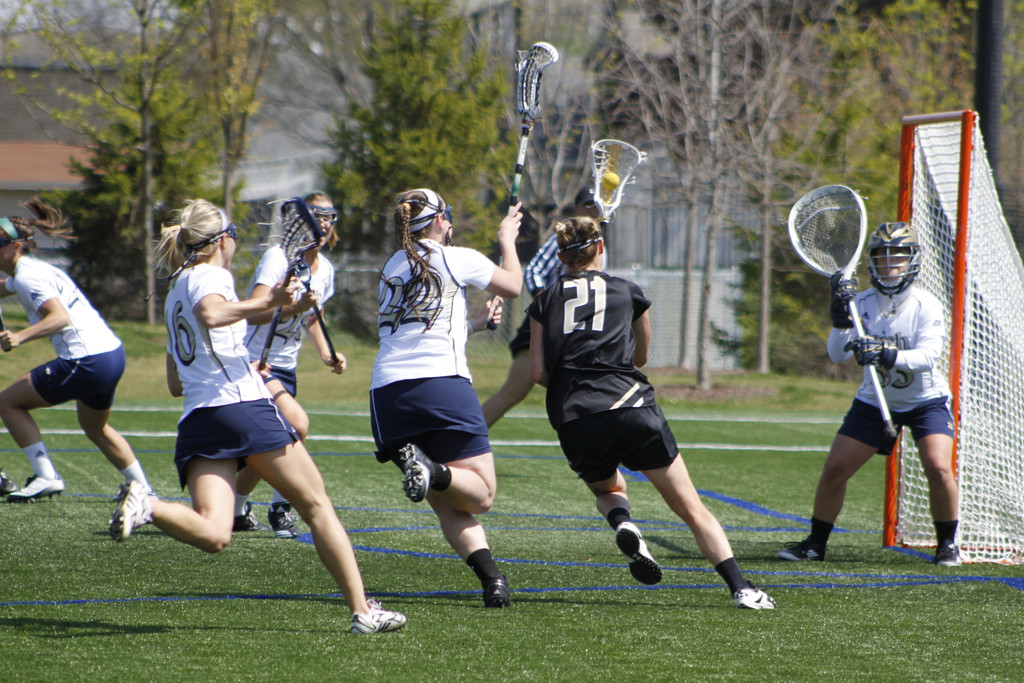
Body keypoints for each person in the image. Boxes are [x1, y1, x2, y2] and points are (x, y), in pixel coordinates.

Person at [110, 199, 405, 634]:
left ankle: (148, 505)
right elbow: (212, 314)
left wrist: (277, 313)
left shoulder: (175, 289)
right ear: (222, 240)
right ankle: (363, 611)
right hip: (241, 408)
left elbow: (176, 382)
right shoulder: (212, 275)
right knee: (317, 506)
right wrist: (265, 307)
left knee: (214, 534)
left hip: (199, 419)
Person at [527, 216, 775, 609]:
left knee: (608, 490)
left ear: (560, 256)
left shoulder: (544, 300)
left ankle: (624, 523)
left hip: (575, 415)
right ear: (601, 248)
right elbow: (641, 356)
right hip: (631, 405)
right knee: (691, 507)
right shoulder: (628, 291)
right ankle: (742, 589)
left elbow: (538, 372)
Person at [370, 188, 521, 607]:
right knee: (481, 494)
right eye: (448, 216)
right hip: (441, 385)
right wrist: (507, 238)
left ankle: (493, 580)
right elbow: (512, 285)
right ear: (438, 221)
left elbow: (411, 329)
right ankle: (432, 471)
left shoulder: (392, 265)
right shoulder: (455, 257)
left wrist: (471, 324)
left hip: (387, 396)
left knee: (447, 502)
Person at [777, 222, 960, 567]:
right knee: (835, 469)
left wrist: (885, 353)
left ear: (912, 260)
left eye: (898, 255)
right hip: (875, 401)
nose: (889, 262)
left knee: (938, 467)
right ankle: (816, 544)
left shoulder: (927, 305)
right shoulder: (860, 302)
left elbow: (927, 358)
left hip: (926, 401)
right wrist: (840, 321)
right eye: (882, 255)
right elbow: (837, 355)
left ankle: (947, 545)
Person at [0, 198, 153, 502]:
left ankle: (45, 476)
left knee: (7, 403)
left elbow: (60, 318)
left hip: (86, 360)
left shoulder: (29, 276)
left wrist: (20, 337)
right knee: (96, 429)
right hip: (111, 355)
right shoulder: (27, 273)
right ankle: (145, 492)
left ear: (17, 247)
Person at [232, 191, 346, 538]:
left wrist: (327, 354)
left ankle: (236, 511)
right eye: (316, 217)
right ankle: (282, 508)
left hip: (286, 367)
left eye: (328, 218)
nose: (323, 225)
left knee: (266, 445)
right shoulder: (277, 258)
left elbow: (314, 318)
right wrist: (293, 307)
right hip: (255, 362)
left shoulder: (325, 270)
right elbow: (251, 313)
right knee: (297, 424)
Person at [481, 187, 601, 427]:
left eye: (595, 205)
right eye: (586, 204)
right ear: (576, 207)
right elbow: (535, 270)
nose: (592, 210)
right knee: (512, 393)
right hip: (546, 327)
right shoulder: (568, 237)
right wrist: (548, 304)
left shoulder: (596, 242)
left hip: (576, 329)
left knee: (592, 395)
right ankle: (463, 440)